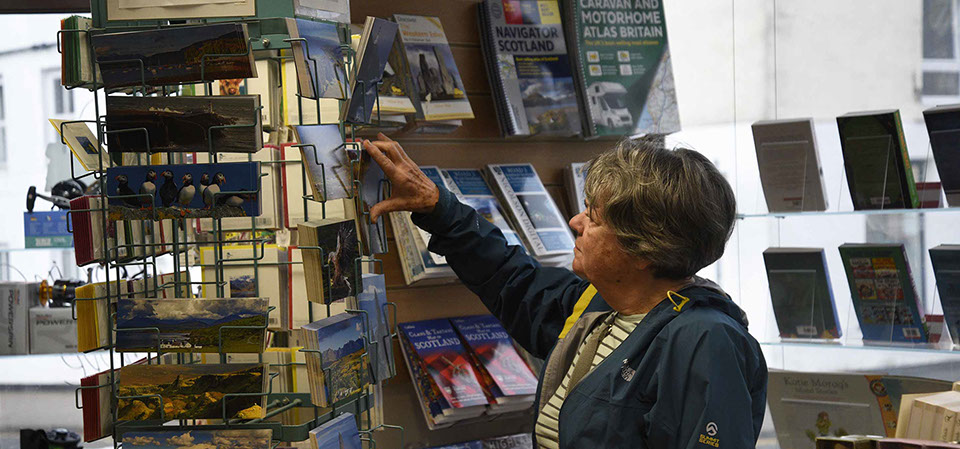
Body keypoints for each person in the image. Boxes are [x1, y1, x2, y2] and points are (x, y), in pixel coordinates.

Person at [362, 134, 767, 448]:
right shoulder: (602, 307)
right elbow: (515, 282)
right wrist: (437, 207)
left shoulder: (705, 341)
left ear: (644, 247)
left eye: (593, 217)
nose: (575, 221)